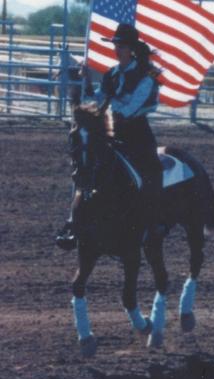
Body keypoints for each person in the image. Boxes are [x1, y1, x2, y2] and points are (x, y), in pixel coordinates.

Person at [56, 23, 163, 250]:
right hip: (110, 133)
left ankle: (153, 221)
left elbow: (131, 108)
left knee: (150, 170)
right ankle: (73, 221)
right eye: (116, 45)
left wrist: (107, 103)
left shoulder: (146, 75)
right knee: (83, 168)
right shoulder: (112, 74)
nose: (117, 49)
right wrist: (86, 81)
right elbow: (96, 99)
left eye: (121, 45)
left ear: (132, 49)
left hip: (137, 135)